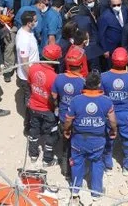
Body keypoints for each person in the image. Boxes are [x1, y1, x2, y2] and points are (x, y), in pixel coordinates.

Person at [64, 72, 117, 200]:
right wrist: (114, 130)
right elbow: (113, 121)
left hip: (78, 139)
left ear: (85, 84)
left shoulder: (76, 100)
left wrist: (66, 131)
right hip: (97, 140)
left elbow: (68, 120)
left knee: (76, 162)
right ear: (99, 84)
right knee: (97, 163)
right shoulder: (106, 101)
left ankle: (75, 189)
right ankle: (96, 192)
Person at [101, 48, 128, 174]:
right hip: (125, 115)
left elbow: (100, 97)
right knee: (127, 140)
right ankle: (126, 166)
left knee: (109, 139)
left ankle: (108, 166)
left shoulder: (104, 77)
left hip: (109, 115)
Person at [52, 46, 86, 177]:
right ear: (81, 64)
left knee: (65, 147)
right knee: (77, 149)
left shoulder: (59, 78)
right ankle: (76, 173)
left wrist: (58, 107)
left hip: (63, 118)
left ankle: (65, 171)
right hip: (77, 122)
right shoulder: (83, 82)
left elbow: (54, 97)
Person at [27, 44, 62, 166]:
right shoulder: (55, 77)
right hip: (47, 110)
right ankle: (48, 160)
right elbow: (55, 97)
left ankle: (33, 155)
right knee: (51, 134)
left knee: (34, 131)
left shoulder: (32, 68)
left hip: (33, 107)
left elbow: (30, 84)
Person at [16, 10, 41, 134]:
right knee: (30, 101)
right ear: (29, 23)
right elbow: (25, 62)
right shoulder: (23, 39)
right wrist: (33, 78)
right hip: (27, 77)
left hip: (32, 72)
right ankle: (29, 126)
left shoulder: (29, 32)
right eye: (35, 20)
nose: (37, 22)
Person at [98, 0, 128, 67]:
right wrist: (105, 49)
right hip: (111, 47)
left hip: (123, 44)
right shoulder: (105, 16)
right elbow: (101, 34)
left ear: (121, 2)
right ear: (110, 5)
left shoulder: (124, 10)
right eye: (114, 5)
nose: (117, 7)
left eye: (118, 5)